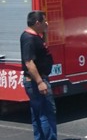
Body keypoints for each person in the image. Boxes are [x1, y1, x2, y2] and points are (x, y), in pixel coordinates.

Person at [20, 10, 57, 140]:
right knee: (46, 114)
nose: (46, 23)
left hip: (37, 80)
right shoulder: (29, 39)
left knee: (38, 114)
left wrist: (45, 33)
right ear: (37, 23)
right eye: (44, 21)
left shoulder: (36, 37)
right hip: (36, 81)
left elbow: (44, 47)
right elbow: (29, 62)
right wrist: (40, 82)